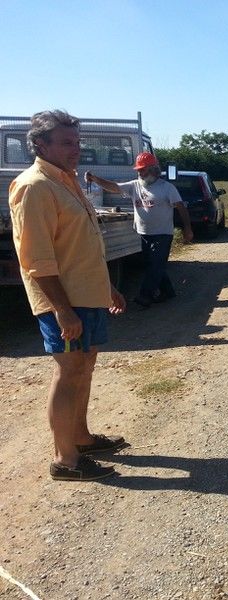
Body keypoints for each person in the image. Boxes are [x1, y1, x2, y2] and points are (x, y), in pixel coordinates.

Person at [9, 110, 128, 481]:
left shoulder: (66, 180)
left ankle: (80, 437)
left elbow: (80, 244)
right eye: (66, 143)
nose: (76, 149)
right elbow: (36, 258)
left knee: (84, 367)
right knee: (69, 371)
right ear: (40, 144)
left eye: (77, 142)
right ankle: (66, 460)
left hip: (86, 294)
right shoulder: (35, 186)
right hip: (64, 300)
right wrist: (62, 310)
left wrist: (107, 287)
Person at [87, 152, 193, 308]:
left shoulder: (167, 188)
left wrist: (187, 228)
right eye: (138, 170)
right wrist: (95, 179)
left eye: (143, 169)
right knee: (154, 264)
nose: (139, 172)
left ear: (153, 169)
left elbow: (181, 207)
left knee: (155, 265)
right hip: (144, 233)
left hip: (162, 234)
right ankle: (168, 291)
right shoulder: (134, 185)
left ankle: (145, 295)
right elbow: (114, 187)